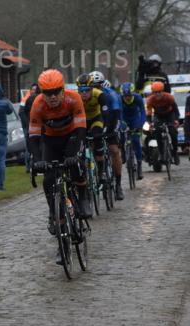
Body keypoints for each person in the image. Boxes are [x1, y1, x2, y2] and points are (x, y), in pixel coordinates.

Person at [29, 68, 91, 238]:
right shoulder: (38, 104)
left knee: (76, 167)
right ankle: (55, 215)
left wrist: (76, 154)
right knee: (48, 180)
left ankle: (84, 198)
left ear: (63, 90)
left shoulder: (74, 98)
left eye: (56, 92)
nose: (53, 96)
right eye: (48, 93)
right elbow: (34, 136)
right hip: (51, 141)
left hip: (72, 136)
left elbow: (81, 130)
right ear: (42, 93)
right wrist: (37, 159)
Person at [89, 70, 124, 200]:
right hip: (97, 122)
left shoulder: (111, 95)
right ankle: (96, 172)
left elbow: (116, 115)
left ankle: (118, 185)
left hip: (112, 121)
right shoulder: (88, 95)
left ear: (102, 85)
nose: (95, 89)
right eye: (92, 86)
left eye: (97, 86)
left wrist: (113, 130)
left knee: (114, 150)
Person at [146, 81, 180, 165]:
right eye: (155, 92)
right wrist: (150, 123)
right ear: (153, 93)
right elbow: (149, 113)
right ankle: (161, 154)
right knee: (157, 132)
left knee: (173, 133)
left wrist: (176, 120)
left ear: (163, 91)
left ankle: (175, 153)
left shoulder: (169, 97)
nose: (158, 94)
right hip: (159, 116)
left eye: (159, 92)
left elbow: (176, 110)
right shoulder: (150, 99)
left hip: (170, 114)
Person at [120, 82, 146, 179]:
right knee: (121, 137)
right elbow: (118, 113)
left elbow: (143, 112)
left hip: (135, 119)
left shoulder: (138, 98)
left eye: (129, 95)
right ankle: (123, 152)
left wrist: (140, 124)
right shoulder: (120, 99)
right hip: (124, 119)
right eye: (125, 96)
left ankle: (139, 166)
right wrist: (121, 123)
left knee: (135, 140)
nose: (127, 98)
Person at [19, 83, 40, 172]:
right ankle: (28, 166)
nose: (34, 91)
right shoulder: (26, 98)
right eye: (33, 89)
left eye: (36, 89)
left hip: (35, 124)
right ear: (30, 90)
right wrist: (28, 124)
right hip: (27, 125)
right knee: (29, 145)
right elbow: (22, 112)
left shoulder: (38, 97)